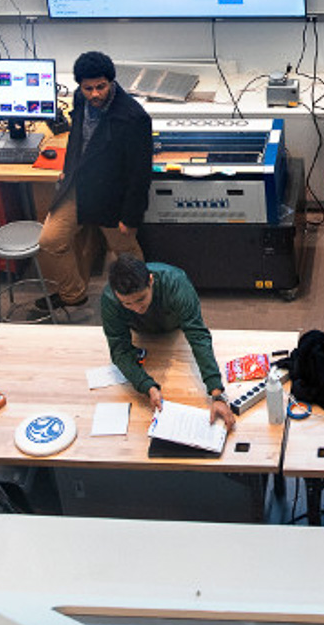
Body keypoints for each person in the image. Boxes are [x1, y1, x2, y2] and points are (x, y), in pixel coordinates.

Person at [38, 50, 152, 307]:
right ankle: (73, 294)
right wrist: (68, 168)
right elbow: (76, 137)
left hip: (113, 198)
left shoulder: (134, 118)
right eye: (88, 88)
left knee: (126, 254)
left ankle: (143, 299)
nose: (95, 94)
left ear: (111, 81)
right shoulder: (80, 98)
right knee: (50, 240)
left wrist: (131, 217)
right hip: (79, 187)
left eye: (100, 87)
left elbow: (139, 174)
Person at [101, 256, 233, 431]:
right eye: (127, 303)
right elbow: (120, 350)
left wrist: (216, 393)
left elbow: (197, 335)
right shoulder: (110, 298)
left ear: (151, 280)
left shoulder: (176, 282)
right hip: (141, 334)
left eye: (140, 299)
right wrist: (146, 386)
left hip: (175, 331)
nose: (136, 308)